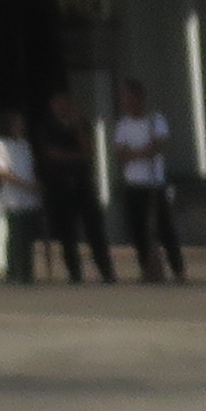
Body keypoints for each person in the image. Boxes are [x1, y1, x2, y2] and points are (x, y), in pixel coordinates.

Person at [111, 85, 186, 284]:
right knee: (138, 229)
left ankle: (178, 269)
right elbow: (119, 154)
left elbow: (157, 147)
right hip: (133, 184)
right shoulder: (123, 125)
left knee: (164, 227)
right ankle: (148, 269)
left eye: (128, 98)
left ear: (138, 98)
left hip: (154, 183)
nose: (125, 103)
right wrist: (140, 153)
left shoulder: (155, 120)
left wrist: (134, 153)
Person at [39, 99, 118, 284]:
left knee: (94, 228)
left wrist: (77, 126)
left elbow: (89, 150)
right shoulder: (48, 127)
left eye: (66, 103)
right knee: (67, 231)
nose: (63, 107)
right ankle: (74, 272)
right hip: (60, 184)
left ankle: (106, 270)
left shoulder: (81, 124)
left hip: (82, 183)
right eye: (59, 103)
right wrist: (76, 156)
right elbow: (51, 153)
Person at [0, 117, 43, 283]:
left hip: (30, 198)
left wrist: (35, 186)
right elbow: (2, 171)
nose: (21, 127)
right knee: (16, 236)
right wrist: (25, 185)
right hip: (14, 198)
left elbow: (29, 168)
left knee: (28, 237)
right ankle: (15, 271)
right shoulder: (1, 144)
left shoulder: (25, 145)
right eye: (17, 124)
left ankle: (27, 271)